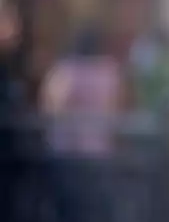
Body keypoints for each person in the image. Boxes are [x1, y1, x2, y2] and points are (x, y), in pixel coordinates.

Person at [40, 25, 122, 158]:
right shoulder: (108, 72)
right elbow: (115, 107)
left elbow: (51, 106)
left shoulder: (64, 70)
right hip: (94, 147)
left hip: (67, 147)